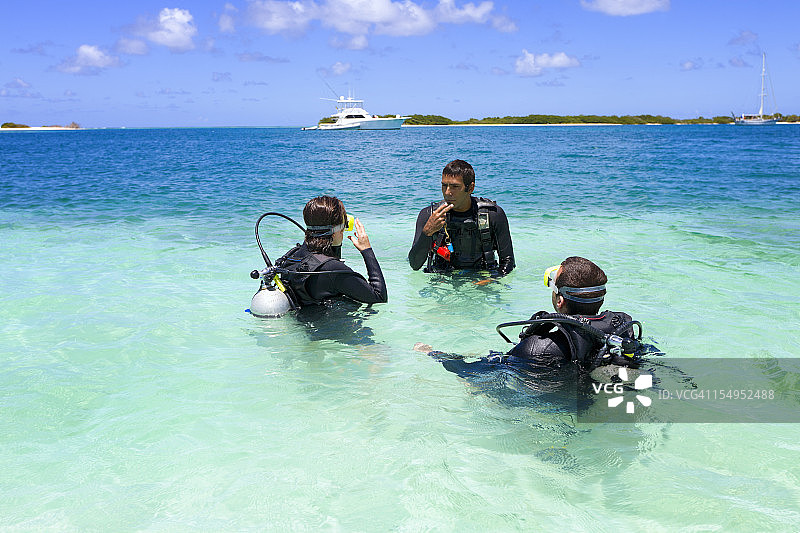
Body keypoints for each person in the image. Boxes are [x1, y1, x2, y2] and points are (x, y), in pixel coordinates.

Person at [416, 256, 641, 373]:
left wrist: (436, 355)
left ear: (560, 300)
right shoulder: (622, 330)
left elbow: (479, 372)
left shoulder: (539, 346)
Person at [274, 196, 388, 307]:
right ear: (335, 231)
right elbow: (379, 296)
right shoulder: (333, 269)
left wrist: (334, 241)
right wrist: (366, 250)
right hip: (328, 325)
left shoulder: (293, 255)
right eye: (343, 225)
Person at [408, 160, 515, 276]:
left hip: (482, 276)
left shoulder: (493, 214)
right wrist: (427, 232)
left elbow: (508, 262)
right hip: (443, 279)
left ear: (470, 188)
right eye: (444, 185)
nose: (447, 192)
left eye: (455, 187)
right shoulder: (429, 215)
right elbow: (415, 264)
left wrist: (493, 279)